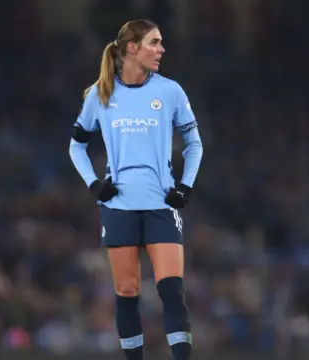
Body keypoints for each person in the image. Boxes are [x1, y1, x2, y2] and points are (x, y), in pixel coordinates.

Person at [69, 19, 203, 360]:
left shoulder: (170, 91)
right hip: (118, 205)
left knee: (171, 289)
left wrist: (185, 187)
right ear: (132, 47)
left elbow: (194, 143)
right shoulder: (100, 95)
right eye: (154, 43)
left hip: (161, 203)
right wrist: (94, 184)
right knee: (126, 290)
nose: (161, 49)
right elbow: (76, 145)